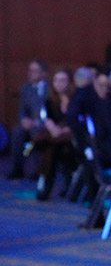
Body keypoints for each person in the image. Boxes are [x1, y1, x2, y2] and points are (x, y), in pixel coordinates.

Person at [30, 67, 76, 200]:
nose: (59, 84)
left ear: (70, 82)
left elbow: (78, 121)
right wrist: (54, 129)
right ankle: (54, 186)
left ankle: (45, 186)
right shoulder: (49, 101)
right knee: (51, 150)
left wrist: (64, 130)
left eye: (63, 80)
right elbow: (47, 119)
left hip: (70, 137)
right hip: (56, 137)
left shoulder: (76, 100)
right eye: (56, 80)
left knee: (52, 147)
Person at [7, 59, 48, 180]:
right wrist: (24, 120)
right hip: (30, 124)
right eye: (30, 70)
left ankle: (39, 170)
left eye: (35, 71)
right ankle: (18, 168)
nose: (31, 74)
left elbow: (53, 111)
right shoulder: (26, 88)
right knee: (17, 132)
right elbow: (22, 110)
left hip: (45, 124)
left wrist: (39, 122)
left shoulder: (50, 88)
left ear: (43, 73)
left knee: (36, 133)